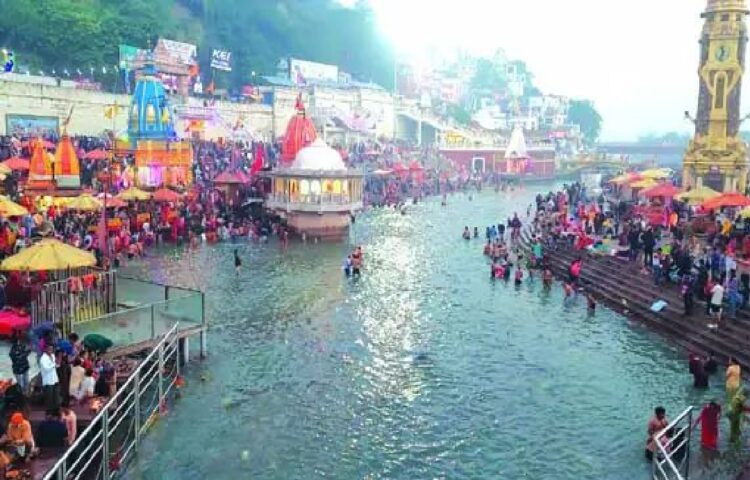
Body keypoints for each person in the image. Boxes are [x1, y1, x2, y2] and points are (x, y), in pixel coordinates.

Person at [40, 343, 59, 411]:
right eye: (49, 349)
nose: (51, 350)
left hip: (55, 379)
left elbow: (55, 366)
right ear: (45, 349)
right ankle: (49, 413)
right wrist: (54, 364)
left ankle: (56, 411)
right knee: (49, 399)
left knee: (56, 397)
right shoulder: (43, 359)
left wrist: (57, 363)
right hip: (48, 381)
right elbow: (46, 368)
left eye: (52, 349)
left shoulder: (53, 356)